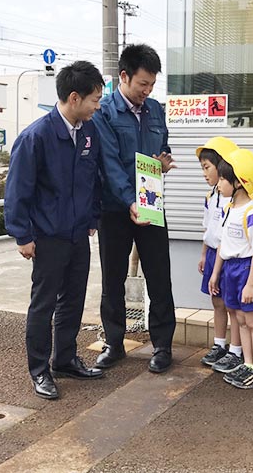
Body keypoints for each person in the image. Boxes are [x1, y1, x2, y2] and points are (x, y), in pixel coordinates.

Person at [5, 61, 106, 400]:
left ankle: (64, 359)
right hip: (47, 236)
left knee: (73, 301)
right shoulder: (36, 137)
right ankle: (39, 370)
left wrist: (92, 218)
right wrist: (23, 235)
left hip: (78, 234)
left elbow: (92, 180)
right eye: (94, 99)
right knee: (43, 304)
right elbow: (18, 189)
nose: (97, 106)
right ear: (74, 98)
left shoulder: (89, 132)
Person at [93, 44, 176, 373]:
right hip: (115, 208)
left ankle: (162, 345)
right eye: (143, 84)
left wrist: (163, 162)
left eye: (152, 84)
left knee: (160, 277)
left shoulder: (156, 110)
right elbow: (110, 166)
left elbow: (162, 146)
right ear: (124, 77)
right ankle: (114, 342)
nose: (148, 91)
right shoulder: (106, 113)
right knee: (112, 277)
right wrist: (129, 202)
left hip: (151, 204)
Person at [208, 148, 253, 389]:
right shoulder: (229, 209)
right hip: (230, 270)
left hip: (246, 270)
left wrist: (251, 283)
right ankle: (247, 363)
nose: (220, 183)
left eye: (224, 179)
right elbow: (224, 244)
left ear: (238, 182)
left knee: (252, 320)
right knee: (238, 317)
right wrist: (216, 273)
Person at [195, 136, 244, 373]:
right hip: (214, 254)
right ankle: (219, 344)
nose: (204, 174)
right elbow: (209, 230)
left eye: (207, 168)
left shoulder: (234, 201)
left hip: (229, 258)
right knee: (217, 301)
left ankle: (236, 350)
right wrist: (204, 254)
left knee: (232, 305)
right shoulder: (210, 196)